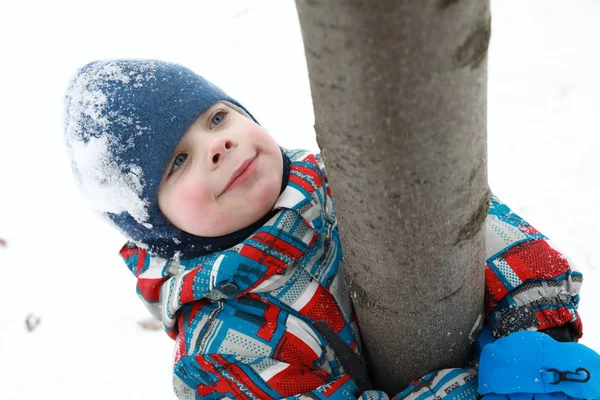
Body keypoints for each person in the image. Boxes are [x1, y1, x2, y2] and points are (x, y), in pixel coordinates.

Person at [64, 59, 600, 400]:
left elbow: (473, 222)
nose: (216, 145)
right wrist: (474, 389)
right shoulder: (220, 353)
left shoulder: (347, 178)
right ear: (159, 228)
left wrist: (531, 322)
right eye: (178, 161)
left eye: (217, 118)